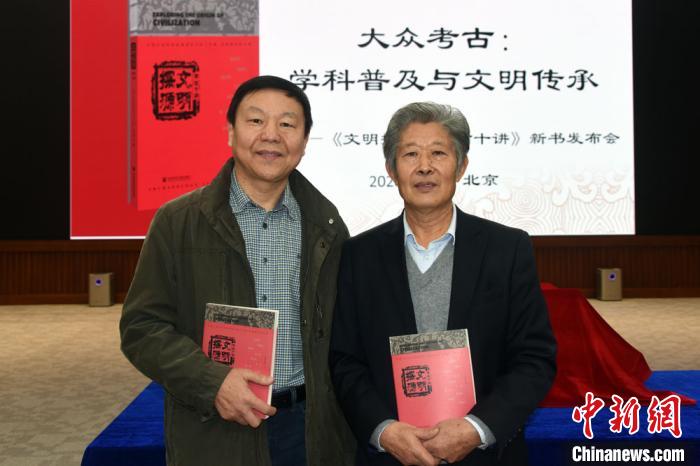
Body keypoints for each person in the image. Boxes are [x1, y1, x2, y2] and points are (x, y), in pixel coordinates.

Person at [120, 75, 355, 466]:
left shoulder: (326, 227)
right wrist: (213, 383)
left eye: (287, 124)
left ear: (304, 141)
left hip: (308, 429)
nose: (271, 135)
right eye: (256, 120)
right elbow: (142, 328)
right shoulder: (178, 222)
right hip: (214, 425)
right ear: (231, 131)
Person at [329, 102, 557, 466]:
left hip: (483, 455)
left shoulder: (507, 248)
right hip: (391, 455)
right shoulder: (359, 255)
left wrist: (476, 428)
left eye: (438, 153)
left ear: (461, 166)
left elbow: (534, 358)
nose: (424, 166)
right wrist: (384, 430)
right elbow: (345, 360)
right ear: (391, 169)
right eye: (410, 154)